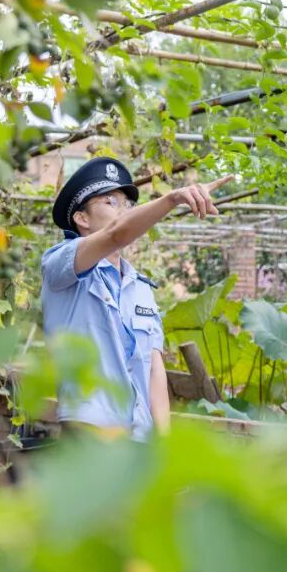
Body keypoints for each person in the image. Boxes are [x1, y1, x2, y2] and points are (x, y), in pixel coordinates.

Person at [41, 156, 231, 440]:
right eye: (110, 202)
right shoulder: (61, 265)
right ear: (82, 218)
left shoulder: (140, 288)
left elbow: (154, 369)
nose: (123, 211)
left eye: (127, 204)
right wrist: (173, 198)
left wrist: (163, 442)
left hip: (139, 437)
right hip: (89, 432)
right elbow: (116, 234)